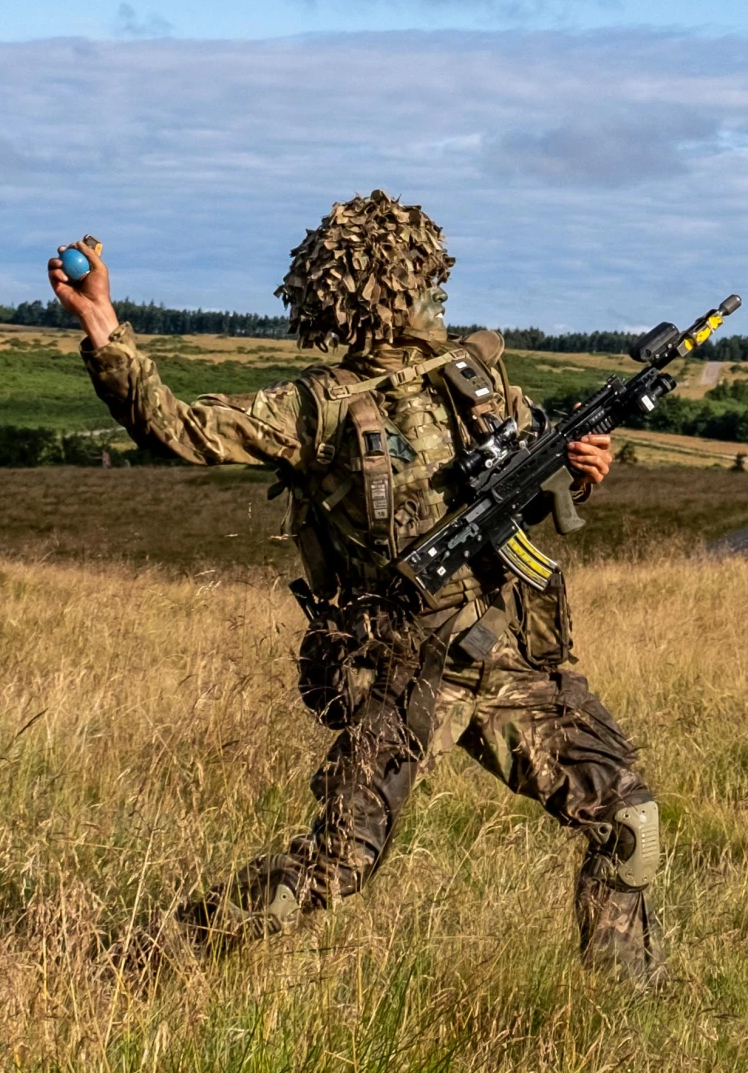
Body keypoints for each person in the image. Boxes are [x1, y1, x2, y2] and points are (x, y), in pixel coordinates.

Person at [49, 192, 664, 983]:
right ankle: (136, 965)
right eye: (419, 276)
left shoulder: (475, 380)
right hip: (407, 664)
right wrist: (104, 327)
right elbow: (178, 426)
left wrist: (585, 474)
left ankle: (615, 1013)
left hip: (509, 660)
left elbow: (542, 491)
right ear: (387, 288)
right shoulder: (317, 406)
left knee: (629, 821)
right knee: (334, 865)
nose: (433, 291)